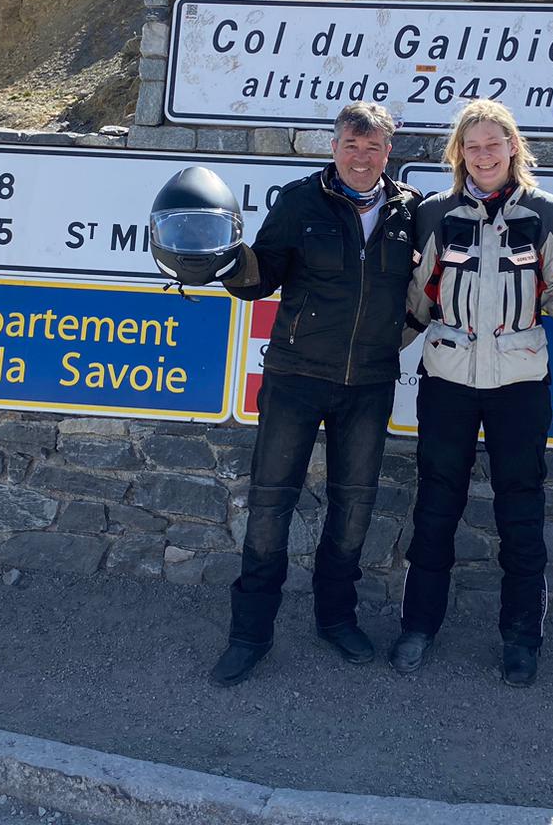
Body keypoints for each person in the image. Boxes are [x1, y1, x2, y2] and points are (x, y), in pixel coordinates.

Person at [209, 102, 421, 686]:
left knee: (353, 510)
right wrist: (226, 259)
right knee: (270, 506)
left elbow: (427, 287)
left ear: (388, 153)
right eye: (352, 145)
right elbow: (261, 278)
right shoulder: (300, 200)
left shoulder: (410, 211)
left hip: (369, 384)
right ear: (334, 147)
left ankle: (336, 619)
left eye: (373, 147)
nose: (362, 158)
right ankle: (249, 635)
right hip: (296, 378)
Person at [393, 99, 553, 687]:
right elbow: (419, 299)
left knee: (521, 510)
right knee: (436, 507)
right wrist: (372, 352)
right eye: (473, 146)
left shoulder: (547, 212)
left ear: (513, 146)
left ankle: (521, 639)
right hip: (448, 381)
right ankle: (418, 626)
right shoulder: (434, 213)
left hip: (520, 383)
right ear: (459, 153)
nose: (484, 155)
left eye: (494, 143)